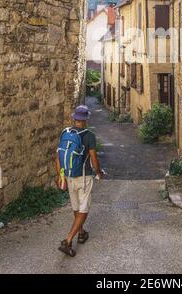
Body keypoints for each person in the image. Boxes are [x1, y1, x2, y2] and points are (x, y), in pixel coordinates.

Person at [56, 105, 103, 257]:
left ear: (74, 118)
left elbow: (58, 156)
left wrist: (60, 176)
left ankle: (81, 232)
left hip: (69, 176)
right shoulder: (89, 135)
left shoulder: (65, 132)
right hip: (84, 177)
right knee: (84, 209)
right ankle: (68, 239)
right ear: (86, 119)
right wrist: (98, 172)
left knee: (76, 205)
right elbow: (94, 159)